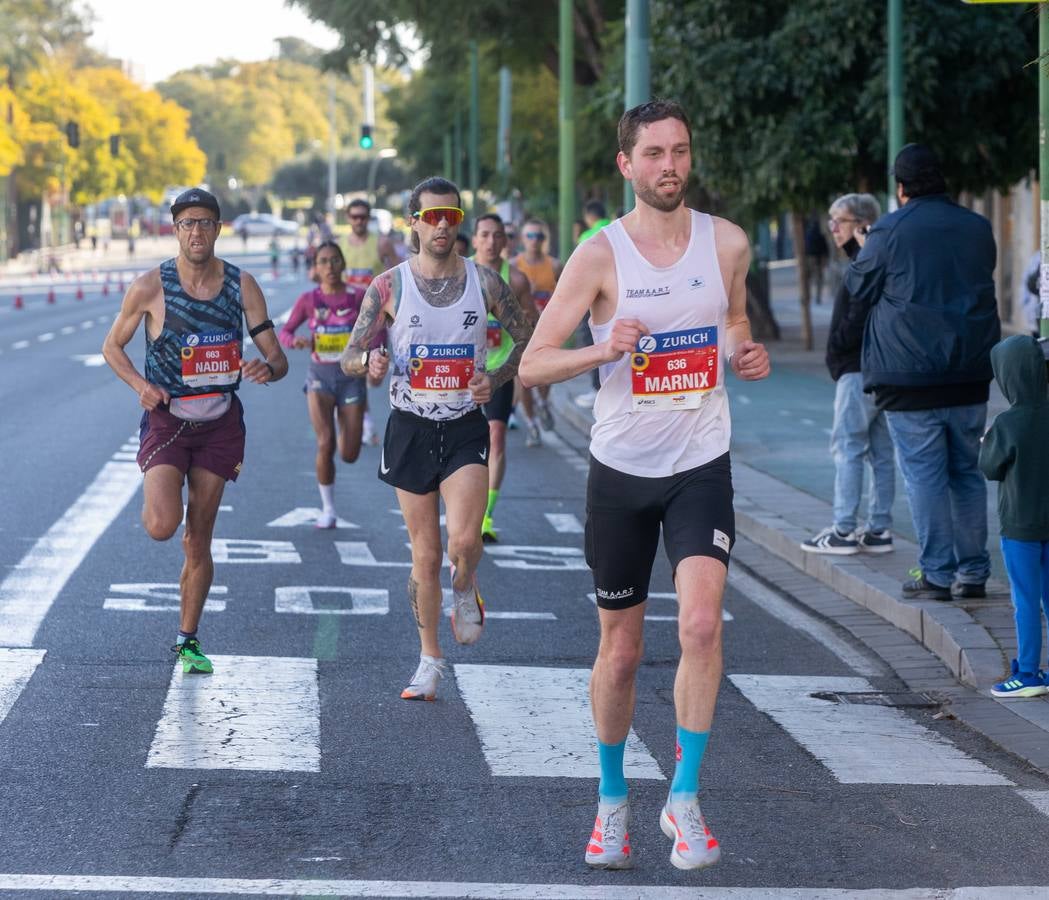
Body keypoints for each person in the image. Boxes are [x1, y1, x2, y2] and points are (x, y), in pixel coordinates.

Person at [519, 99, 770, 872]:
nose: (670, 166)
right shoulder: (598, 256)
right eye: (654, 153)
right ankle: (610, 801)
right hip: (620, 471)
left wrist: (742, 347)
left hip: (700, 461)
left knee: (700, 624)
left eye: (680, 151)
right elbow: (530, 363)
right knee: (620, 653)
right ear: (626, 165)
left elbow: (730, 318)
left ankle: (684, 799)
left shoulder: (725, 242)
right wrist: (604, 351)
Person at [339, 176, 534, 701]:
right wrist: (370, 360)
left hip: (464, 424)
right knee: (424, 556)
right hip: (410, 428)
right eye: (432, 216)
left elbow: (528, 338)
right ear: (414, 223)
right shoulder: (387, 286)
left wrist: (493, 378)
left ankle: (465, 583)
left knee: (463, 543)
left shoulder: (486, 282)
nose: (442, 224)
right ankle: (429, 661)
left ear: (460, 221)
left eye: (450, 215)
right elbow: (349, 356)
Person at [101, 188, 288, 675]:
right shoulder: (150, 286)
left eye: (205, 223)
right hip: (168, 419)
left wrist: (267, 367)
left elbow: (279, 358)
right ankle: (158, 486)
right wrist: (142, 386)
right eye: (187, 224)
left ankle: (187, 640)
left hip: (220, 423)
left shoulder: (241, 285)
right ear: (175, 230)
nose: (197, 232)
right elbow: (112, 347)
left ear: (218, 228)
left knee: (198, 538)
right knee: (163, 525)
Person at [846, 143, 999, 602]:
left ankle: (936, 573)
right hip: (971, 372)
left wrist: (868, 243)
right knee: (967, 472)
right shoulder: (977, 227)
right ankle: (973, 573)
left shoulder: (890, 230)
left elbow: (858, 285)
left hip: (909, 374)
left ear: (900, 187)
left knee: (925, 475)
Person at [802, 194, 895, 555]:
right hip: (882, 369)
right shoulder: (881, 259)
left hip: (859, 368)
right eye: (831, 220)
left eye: (839, 220)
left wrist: (837, 348)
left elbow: (857, 316)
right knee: (881, 451)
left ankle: (843, 529)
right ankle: (880, 528)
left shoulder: (864, 262)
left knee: (848, 447)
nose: (833, 228)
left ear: (861, 224)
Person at [279, 241, 385, 529]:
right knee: (325, 443)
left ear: (343, 264)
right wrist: (296, 341)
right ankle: (328, 509)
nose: (329, 267)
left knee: (349, 454)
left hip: (351, 381)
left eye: (334, 260)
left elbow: (377, 331)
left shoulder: (358, 297)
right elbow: (285, 332)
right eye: (323, 261)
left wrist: (373, 357)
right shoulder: (309, 300)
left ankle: (348, 422)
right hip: (319, 378)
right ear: (315, 268)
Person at [979, 335, 1049, 698]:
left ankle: (1028, 673)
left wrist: (986, 442)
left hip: (1020, 525)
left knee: (1025, 599)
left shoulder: (1008, 422)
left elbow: (990, 467)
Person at [472, 213, 540, 542]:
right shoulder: (459, 273)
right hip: (459, 373)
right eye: (484, 235)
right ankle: (461, 506)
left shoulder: (515, 279)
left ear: (505, 241)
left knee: (496, 437)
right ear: (474, 240)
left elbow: (533, 322)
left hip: (498, 371)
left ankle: (485, 515)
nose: (490, 241)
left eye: (497, 235)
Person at [343, 198, 396, 446]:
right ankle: (365, 422)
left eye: (363, 216)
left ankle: (362, 415)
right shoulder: (340, 245)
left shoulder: (382, 243)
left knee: (374, 377)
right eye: (354, 216)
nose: (359, 221)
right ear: (348, 218)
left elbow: (400, 274)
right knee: (357, 370)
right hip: (347, 318)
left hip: (376, 318)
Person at [513, 217, 563, 431]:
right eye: (530, 236)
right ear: (523, 239)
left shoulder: (554, 265)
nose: (535, 240)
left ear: (545, 239)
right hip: (522, 328)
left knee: (545, 374)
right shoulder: (514, 265)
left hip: (548, 328)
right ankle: (532, 422)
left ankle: (543, 402)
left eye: (539, 236)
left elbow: (566, 296)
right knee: (523, 376)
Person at [802, 215, 829, 305]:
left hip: (810, 259)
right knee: (818, 279)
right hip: (818, 259)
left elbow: (805, 248)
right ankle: (817, 297)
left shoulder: (807, 235)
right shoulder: (821, 236)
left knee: (809, 279)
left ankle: (808, 296)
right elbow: (826, 249)